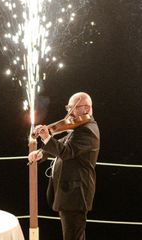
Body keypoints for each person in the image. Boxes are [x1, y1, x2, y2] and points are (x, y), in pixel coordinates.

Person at [28, 92, 100, 240]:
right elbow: (64, 142)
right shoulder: (80, 128)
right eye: (68, 107)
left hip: (76, 193)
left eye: (72, 108)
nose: (69, 112)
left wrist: (47, 137)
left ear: (86, 109)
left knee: (72, 236)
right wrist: (42, 153)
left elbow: (66, 152)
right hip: (71, 192)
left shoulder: (88, 131)